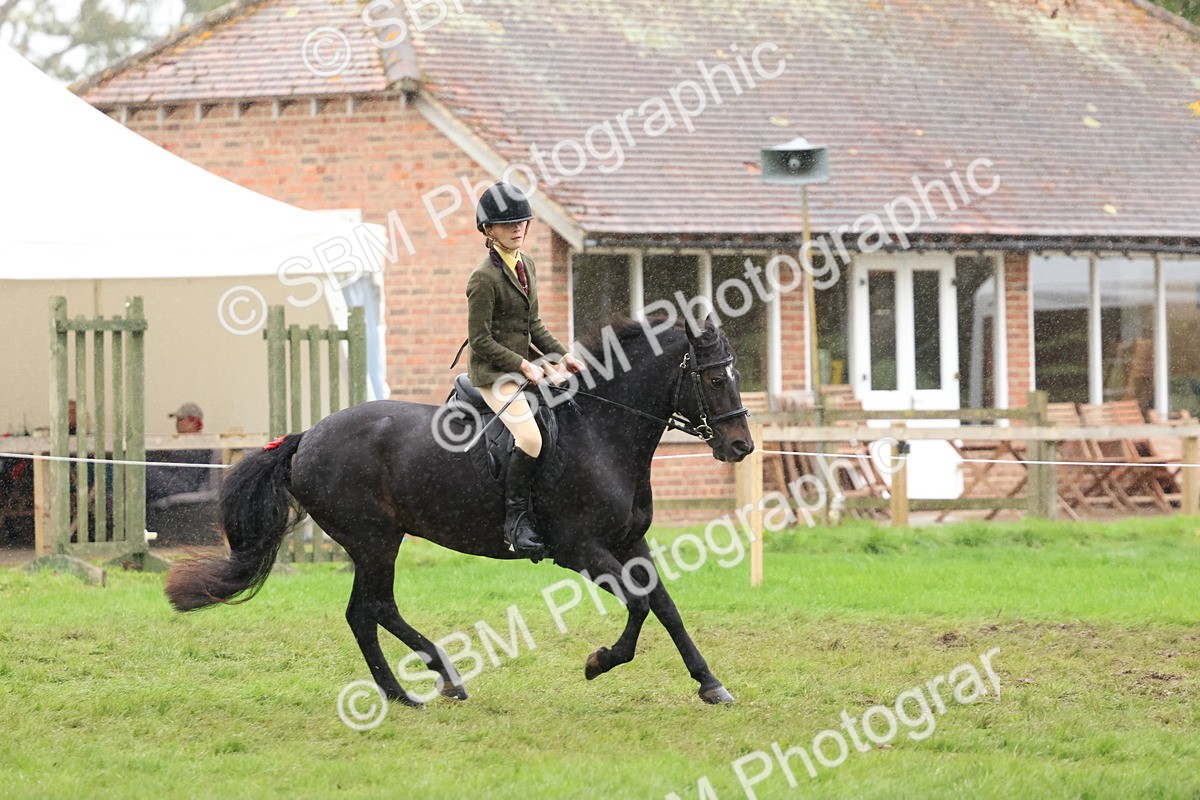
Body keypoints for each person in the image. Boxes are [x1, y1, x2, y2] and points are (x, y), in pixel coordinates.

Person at [466, 182, 586, 557]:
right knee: (531, 440)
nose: (517, 228)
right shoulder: (482, 279)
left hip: (524, 368)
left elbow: (533, 325)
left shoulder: (527, 265)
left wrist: (562, 355)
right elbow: (480, 340)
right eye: (507, 224)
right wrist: (521, 364)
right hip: (492, 374)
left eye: (522, 221)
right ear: (488, 230)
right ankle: (515, 522)